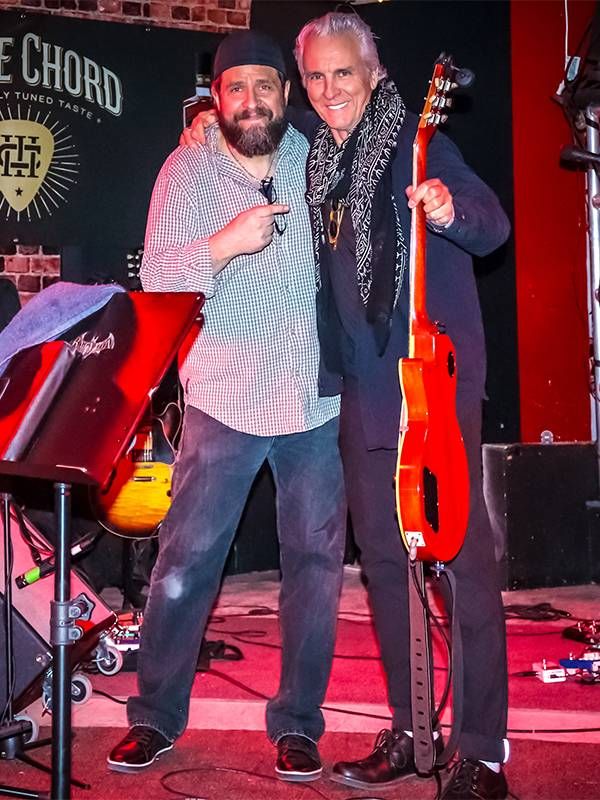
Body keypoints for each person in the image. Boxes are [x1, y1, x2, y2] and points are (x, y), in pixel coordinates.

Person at [107, 30, 346, 782]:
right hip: (223, 392)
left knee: (314, 563)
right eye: (235, 87)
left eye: (265, 86)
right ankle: (154, 717)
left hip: (312, 398)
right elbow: (156, 281)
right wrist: (223, 245)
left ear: (286, 93)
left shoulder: (318, 158)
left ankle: (299, 723)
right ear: (217, 96)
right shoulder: (185, 169)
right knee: (187, 560)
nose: (250, 100)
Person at [292, 12, 511, 800]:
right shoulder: (321, 163)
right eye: (315, 77)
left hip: (434, 387)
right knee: (385, 568)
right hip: (364, 399)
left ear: (374, 75)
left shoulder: (421, 144)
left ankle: (481, 750)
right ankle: (413, 729)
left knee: (462, 568)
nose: (327, 90)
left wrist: (451, 208)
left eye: (341, 73)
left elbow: (494, 224)